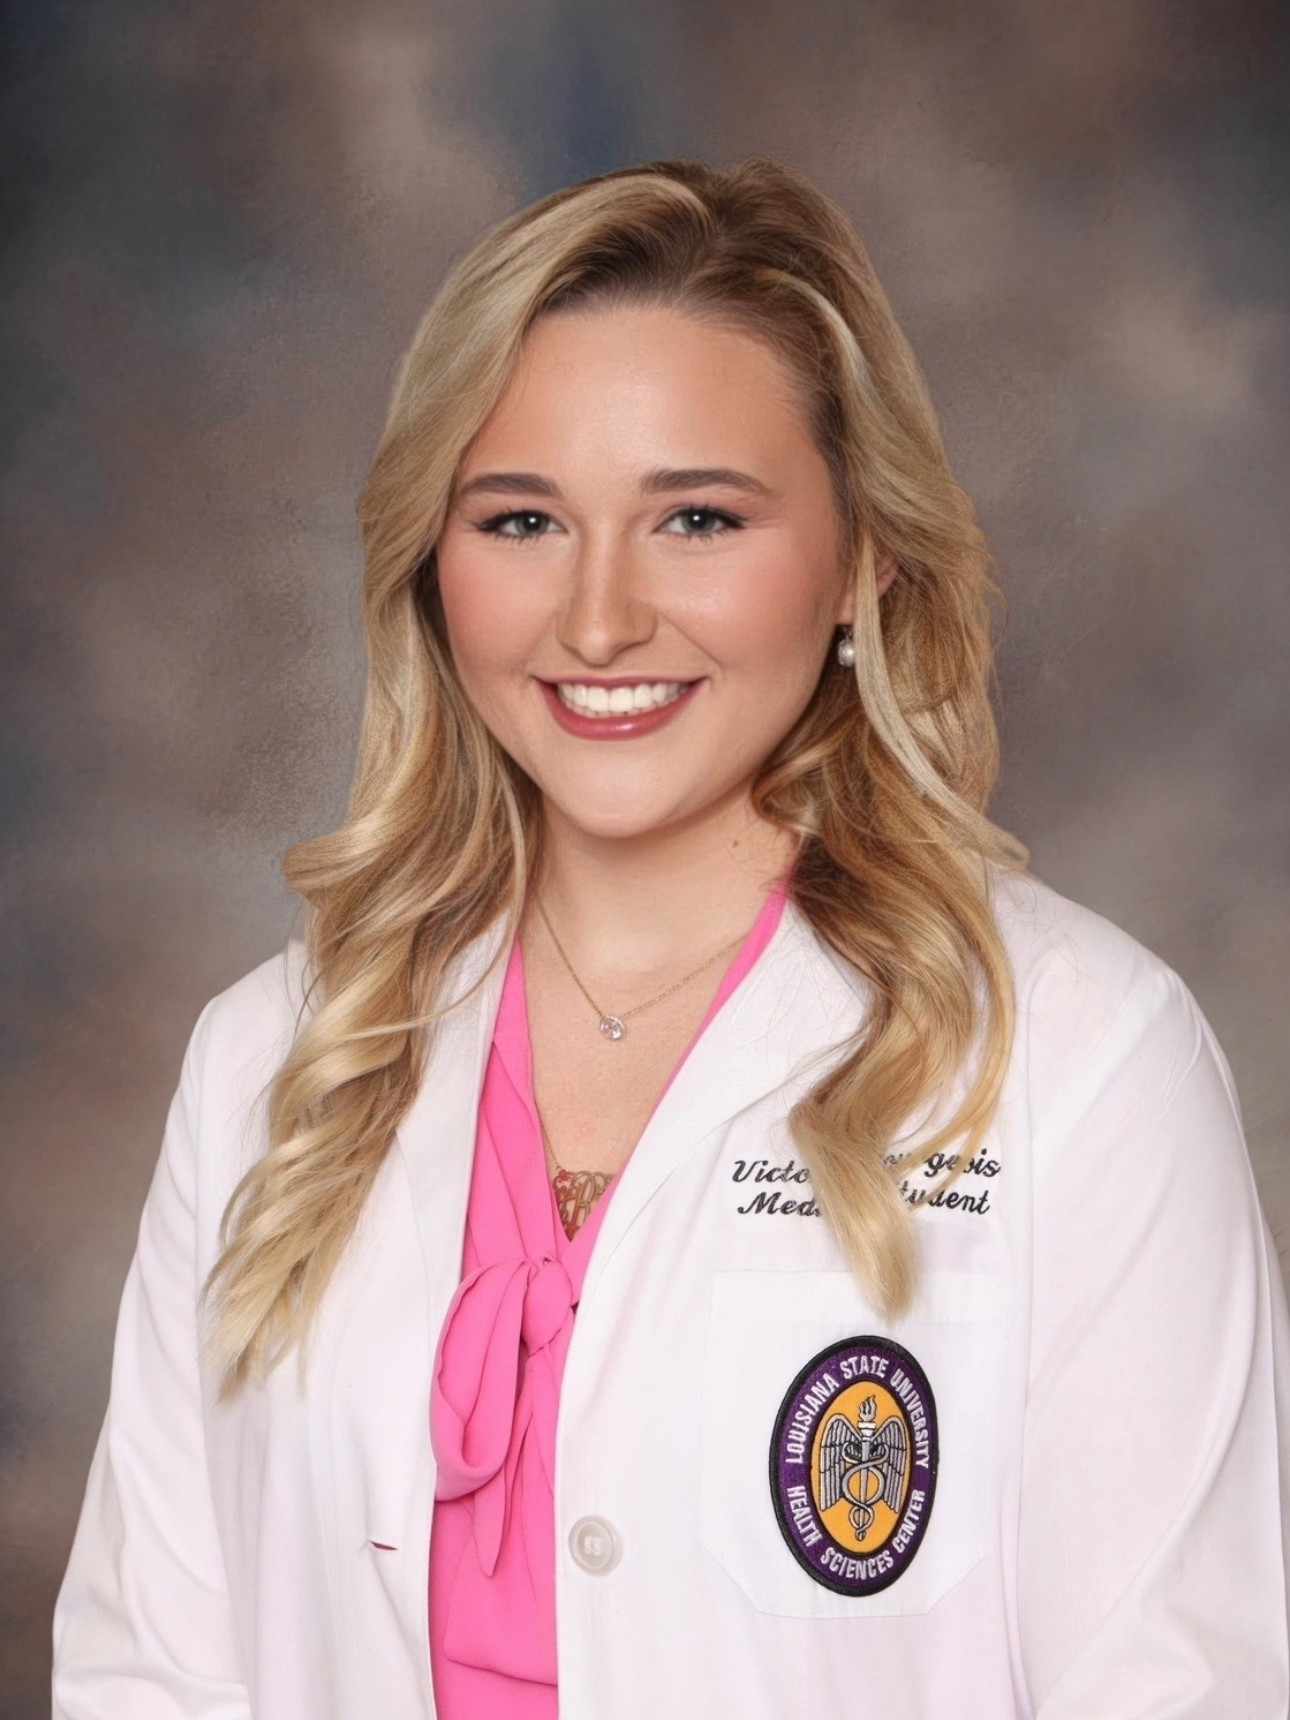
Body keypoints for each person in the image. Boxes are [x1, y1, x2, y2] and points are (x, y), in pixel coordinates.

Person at [51, 155, 1290, 1720]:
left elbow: (1178, 1691)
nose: (596, 621)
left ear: (859, 561)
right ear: (431, 573)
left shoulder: (1077, 1057)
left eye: (696, 517)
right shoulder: (272, 1057)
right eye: (519, 521)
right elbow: (149, 1673)